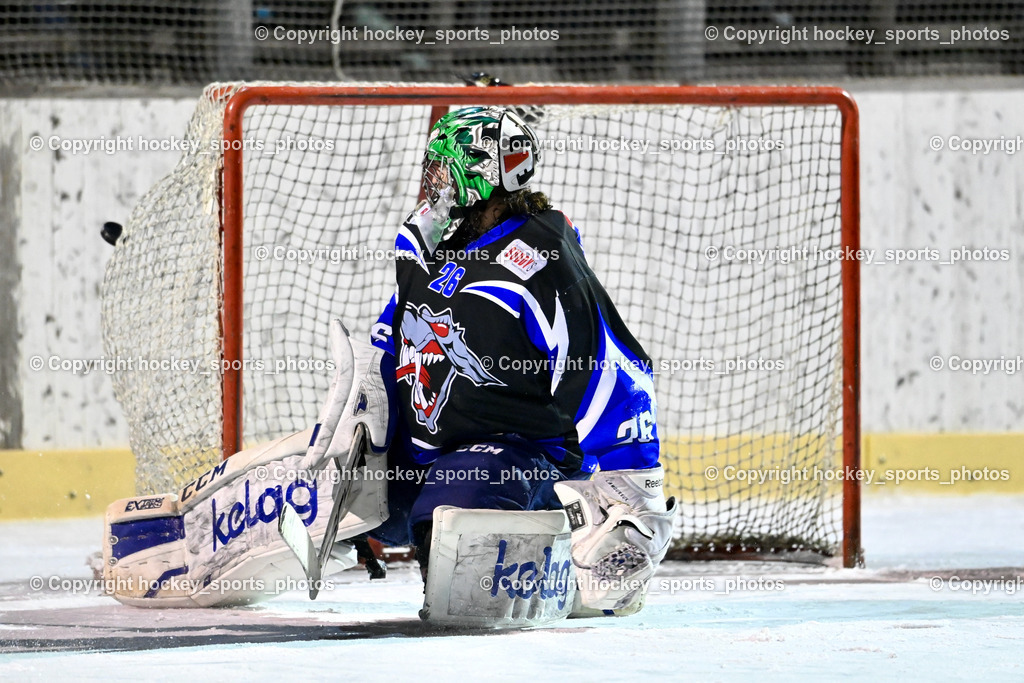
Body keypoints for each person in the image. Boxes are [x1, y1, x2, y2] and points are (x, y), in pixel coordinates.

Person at [365, 106, 678, 615]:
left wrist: (633, 490)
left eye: (443, 168)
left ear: (479, 174)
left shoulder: (537, 255)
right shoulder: (438, 247)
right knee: (336, 488)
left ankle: (555, 563)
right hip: (432, 454)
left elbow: (605, 364)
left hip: (525, 457)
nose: (433, 183)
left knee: (453, 501)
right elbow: (398, 347)